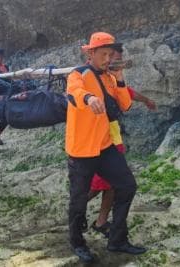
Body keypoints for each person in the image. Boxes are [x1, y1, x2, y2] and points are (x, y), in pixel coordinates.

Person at [65, 32, 146, 263]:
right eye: (104, 54)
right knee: (78, 198)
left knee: (127, 185)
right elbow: (74, 93)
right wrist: (89, 98)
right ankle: (77, 242)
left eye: (111, 55)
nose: (108, 59)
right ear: (90, 53)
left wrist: (120, 78)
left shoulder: (110, 77)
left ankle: (118, 239)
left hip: (104, 146)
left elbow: (125, 104)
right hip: (81, 150)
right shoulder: (77, 74)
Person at [87, 44, 157, 238]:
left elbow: (129, 94)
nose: (112, 62)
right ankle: (75, 215)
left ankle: (101, 222)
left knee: (112, 185)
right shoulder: (89, 77)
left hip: (113, 139)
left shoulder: (112, 78)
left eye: (115, 59)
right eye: (109, 58)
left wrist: (147, 101)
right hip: (97, 142)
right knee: (96, 187)